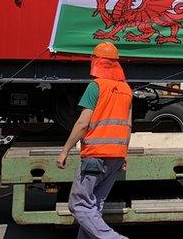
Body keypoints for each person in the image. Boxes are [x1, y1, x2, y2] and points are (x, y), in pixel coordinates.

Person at [56, 42, 132, 239]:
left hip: (95, 157)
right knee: (94, 207)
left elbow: (82, 124)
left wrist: (64, 150)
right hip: (115, 157)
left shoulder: (96, 86)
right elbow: (128, 126)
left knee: (79, 205)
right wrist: (124, 153)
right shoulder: (126, 90)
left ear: (96, 61)